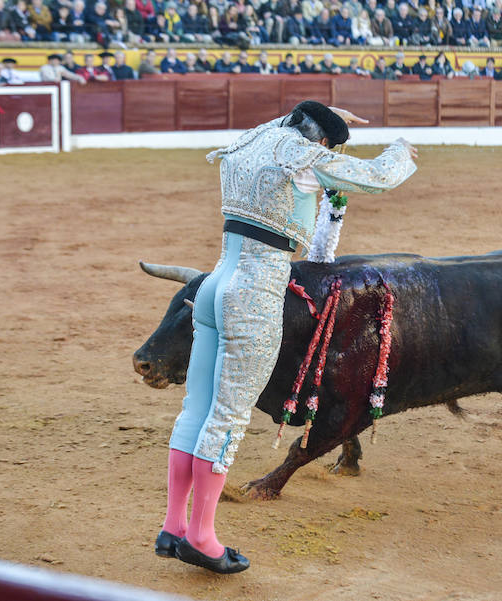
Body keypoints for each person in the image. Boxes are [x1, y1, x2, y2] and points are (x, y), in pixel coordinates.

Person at [156, 101, 416, 575]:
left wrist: (320, 111)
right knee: (227, 417)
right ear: (321, 143)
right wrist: (401, 150)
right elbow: (377, 176)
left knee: (196, 409)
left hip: (214, 285)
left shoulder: (251, 140)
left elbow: (285, 122)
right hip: (254, 293)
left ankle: (174, 526)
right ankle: (202, 536)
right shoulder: (306, 158)